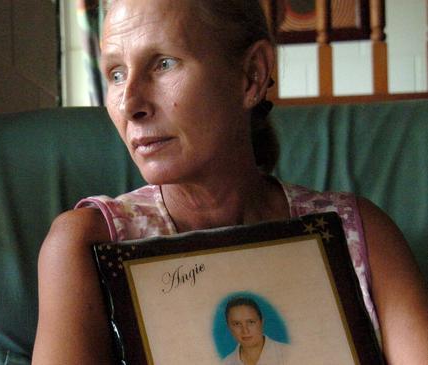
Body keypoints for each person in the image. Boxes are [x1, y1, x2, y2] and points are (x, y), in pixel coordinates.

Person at [31, 1, 428, 364]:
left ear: (251, 76)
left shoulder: (360, 233)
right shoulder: (87, 245)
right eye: (116, 73)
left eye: (163, 63)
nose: (130, 104)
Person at [222, 297, 286, 365]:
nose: (245, 331)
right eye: (237, 324)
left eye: (251, 322)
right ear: (229, 327)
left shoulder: (288, 353)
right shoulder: (225, 363)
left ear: (261, 322)